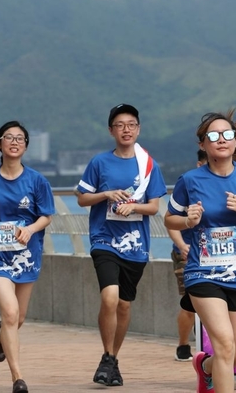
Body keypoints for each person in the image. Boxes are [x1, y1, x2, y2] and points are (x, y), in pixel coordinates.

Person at [164, 111, 236, 393]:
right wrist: (188, 221)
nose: (221, 140)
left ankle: (205, 366)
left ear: (235, 142)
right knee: (225, 344)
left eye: (227, 134)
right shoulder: (190, 180)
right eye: (213, 136)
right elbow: (170, 219)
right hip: (203, 274)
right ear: (203, 144)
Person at [76, 103, 167, 386]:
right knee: (110, 297)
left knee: (124, 306)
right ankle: (107, 355)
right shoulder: (99, 163)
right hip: (104, 240)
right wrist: (106, 194)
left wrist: (134, 207)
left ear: (138, 129)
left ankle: (112, 360)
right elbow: (82, 198)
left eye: (131, 124)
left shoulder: (149, 165)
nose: (126, 129)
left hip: (136, 246)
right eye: (120, 125)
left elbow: (154, 207)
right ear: (111, 130)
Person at [0, 120, 55, 393]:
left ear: (26, 146)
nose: (14, 142)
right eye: (9, 137)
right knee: (10, 311)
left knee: (18, 317)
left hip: (26, 255)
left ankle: (1, 335)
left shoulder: (37, 181)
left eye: (20, 138)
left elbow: (46, 216)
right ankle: (18, 378)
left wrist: (30, 229)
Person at [167, 149, 208, 362]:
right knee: (190, 302)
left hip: (213, 255)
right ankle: (183, 345)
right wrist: (182, 245)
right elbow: (170, 222)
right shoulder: (188, 185)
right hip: (186, 253)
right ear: (199, 164)